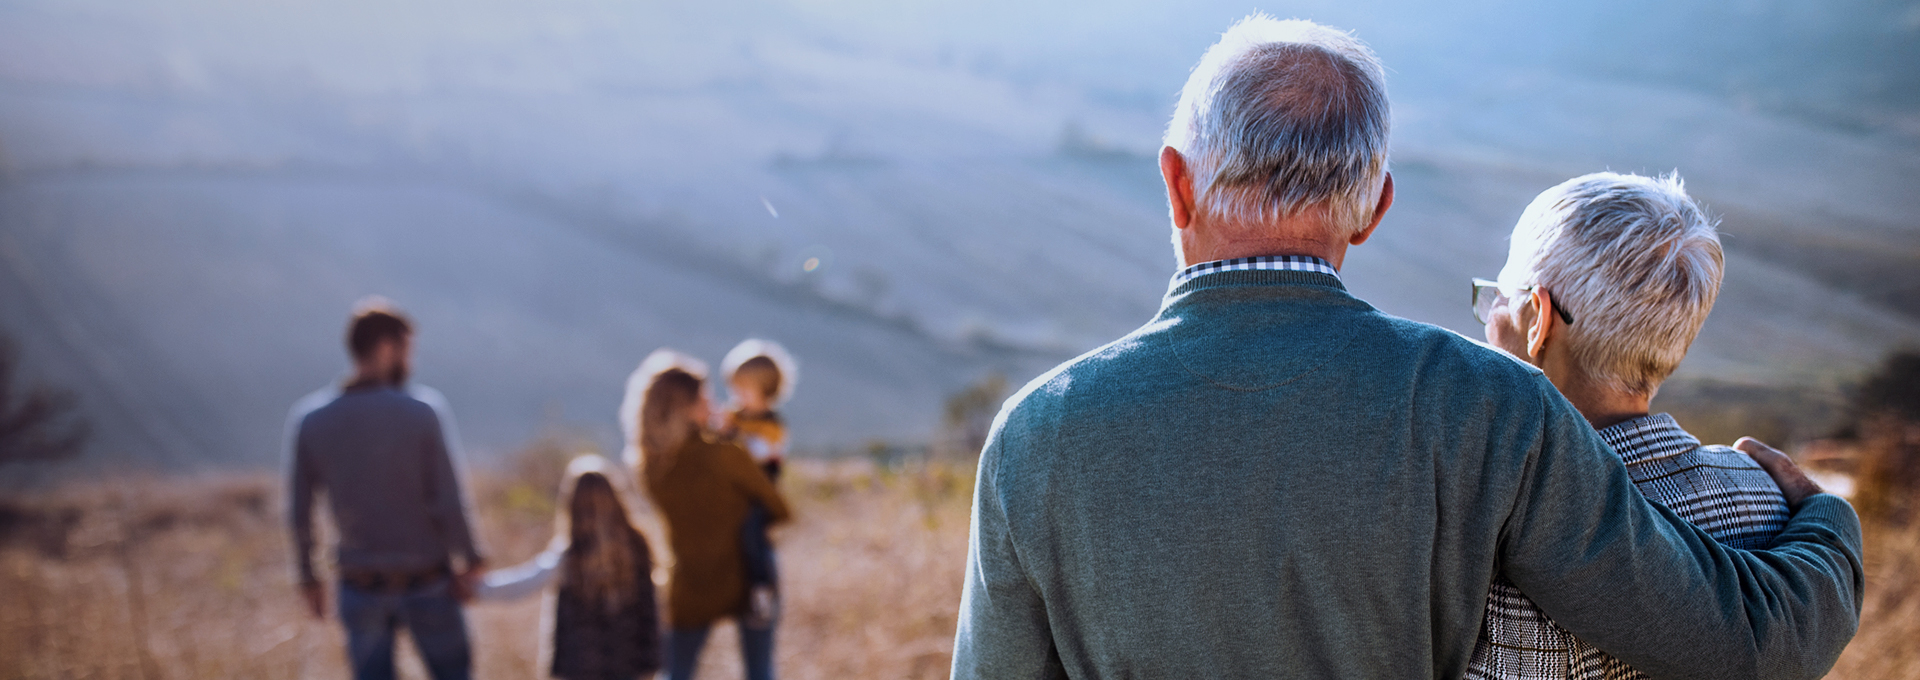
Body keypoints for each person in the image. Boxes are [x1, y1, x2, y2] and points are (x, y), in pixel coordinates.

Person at [948, 16, 1863, 680]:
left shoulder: (1038, 435)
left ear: (1177, 184)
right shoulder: (1486, 404)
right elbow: (1727, 641)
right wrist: (1827, 528)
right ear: (1376, 207)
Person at [1463, 172, 1797, 679]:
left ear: (1540, 320)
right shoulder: (1768, 500)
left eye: (1500, 298)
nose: (1489, 319)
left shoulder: (1495, 538)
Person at [286, 298, 486, 680]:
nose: (409, 362)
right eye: (406, 350)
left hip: (359, 585)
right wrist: (472, 559)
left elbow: (299, 510)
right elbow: (448, 499)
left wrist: (308, 577)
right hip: (428, 581)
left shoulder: (311, 421)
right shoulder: (422, 412)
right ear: (386, 347)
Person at [622, 350, 792, 680]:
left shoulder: (650, 467)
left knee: (675, 672)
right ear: (688, 406)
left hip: (690, 582)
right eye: (706, 397)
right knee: (760, 671)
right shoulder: (725, 455)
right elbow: (779, 508)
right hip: (748, 573)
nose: (715, 404)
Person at [475, 454, 663, 680]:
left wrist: (476, 589)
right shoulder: (638, 546)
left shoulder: (570, 555)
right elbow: (651, 613)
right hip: (630, 668)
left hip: (579, 669)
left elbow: (525, 582)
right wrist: (652, 666)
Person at [717, 339, 798, 628]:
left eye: (744, 388)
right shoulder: (734, 417)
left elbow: (761, 454)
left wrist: (734, 434)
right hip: (733, 494)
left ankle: (761, 589)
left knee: (752, 532)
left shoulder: (772, 425)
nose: (737, 395)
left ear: (765, 389)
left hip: (759, 496)